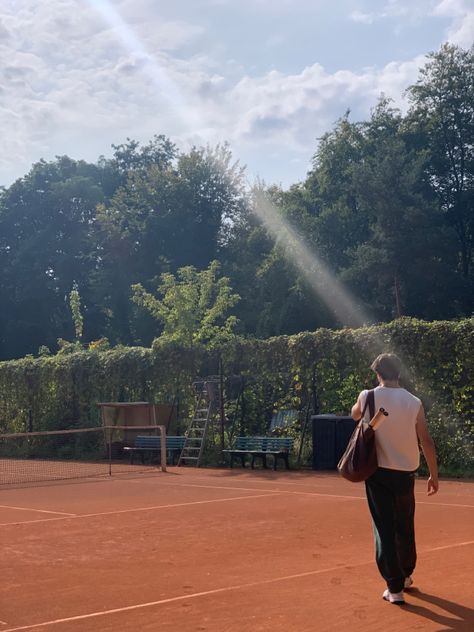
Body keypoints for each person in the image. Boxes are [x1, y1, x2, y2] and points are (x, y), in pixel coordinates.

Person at [351, 353, 439, 605]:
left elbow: (355, 415)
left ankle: (394, 587)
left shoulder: (367, 396)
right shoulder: (414, 402)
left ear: (377, 373)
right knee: (404, 525)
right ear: (399, 373)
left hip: (377, 472)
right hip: (406, 473)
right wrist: (434, 475)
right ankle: (406, 574)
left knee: (384, 528)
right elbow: (426, 441)